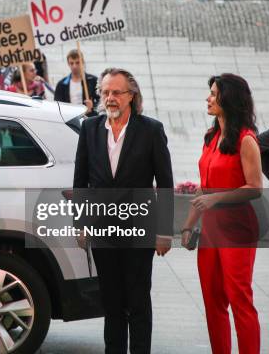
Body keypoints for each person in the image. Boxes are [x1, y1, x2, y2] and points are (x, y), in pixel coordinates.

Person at [73, 68, 173, 354]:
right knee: (111, 301)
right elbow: (81, 180)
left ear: (132, 96)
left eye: (116, 92)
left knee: (138, 300)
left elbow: (165, 183)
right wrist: (81, 223)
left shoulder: (151, 130)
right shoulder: (90, 128)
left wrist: (164, 231)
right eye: (105, 92)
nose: (110, 98)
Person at [181, 73, 262, 354]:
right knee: (212, 300)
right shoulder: (211, 136)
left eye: (214, 93)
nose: (208, 98)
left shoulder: (246, 139)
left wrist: (217, 198)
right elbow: (204, 187)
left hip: (238, 228)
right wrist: (188, 226)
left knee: (239, 299)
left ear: (229, 98)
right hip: (211, 230)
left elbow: (255, 187)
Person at [55, 50, 100, 116]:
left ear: (83, 62)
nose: (74, 66)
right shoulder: (61, 84)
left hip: (89, 119)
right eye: (71, 63)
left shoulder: (93, 80)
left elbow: (102, 102)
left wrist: (93, 106)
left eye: (77, 62)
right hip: (69, 119)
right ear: (68, 63)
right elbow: (57, 106)